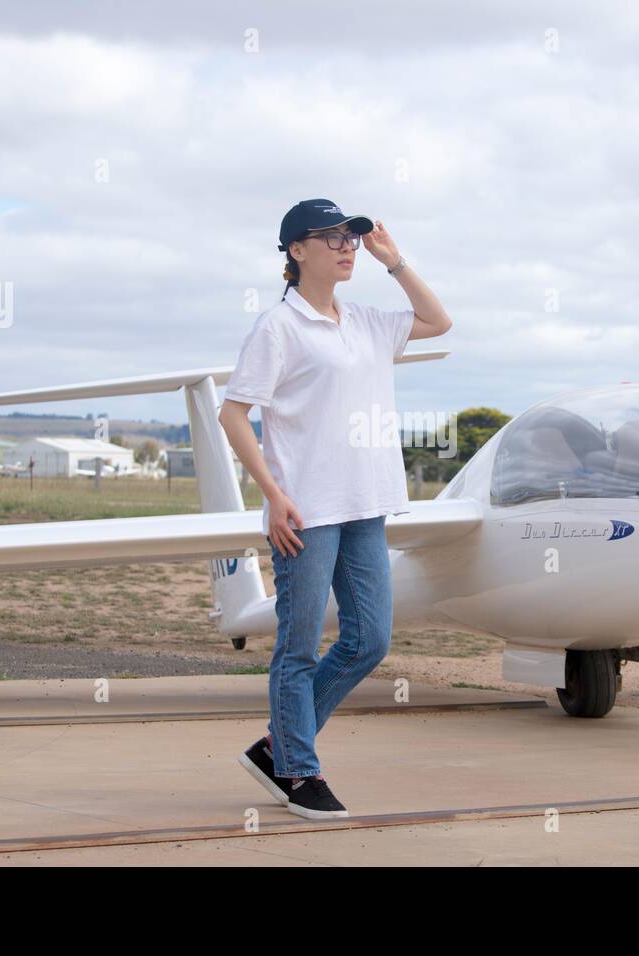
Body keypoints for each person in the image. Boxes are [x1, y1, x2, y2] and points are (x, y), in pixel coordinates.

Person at [219, 198, 451, 819]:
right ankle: (297, 770)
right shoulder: (277, 328)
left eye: (350, 237)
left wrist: (393, 260)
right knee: (296, 648)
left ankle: (280, 746)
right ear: (296, 251)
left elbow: (439, 320)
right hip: (306, 512)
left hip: (366, 505)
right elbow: (233, 414)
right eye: (330, 238)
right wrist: (272, 496)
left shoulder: (369, 321)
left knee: (369, 639)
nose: (346, 247)